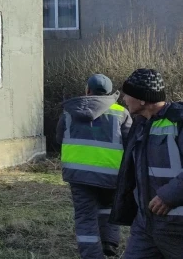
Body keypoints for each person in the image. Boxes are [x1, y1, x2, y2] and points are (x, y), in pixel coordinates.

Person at [56, 74, 133, 258]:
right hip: (111, 173)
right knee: (108, 208)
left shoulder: (69, 112)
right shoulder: (121, 112)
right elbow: (130, 142)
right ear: (109, 92)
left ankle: (92, 256)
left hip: (78, 175)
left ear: (87, 90)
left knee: (85, 217)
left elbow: (59, 139)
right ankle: (109, 244)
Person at [110, 68, 183, 259]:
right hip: (145, 225)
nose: (124, 98)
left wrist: (169, 196)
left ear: (143, 99)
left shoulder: (178, 122)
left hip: (177, 228)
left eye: (128, 94)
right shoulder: (140, 125)